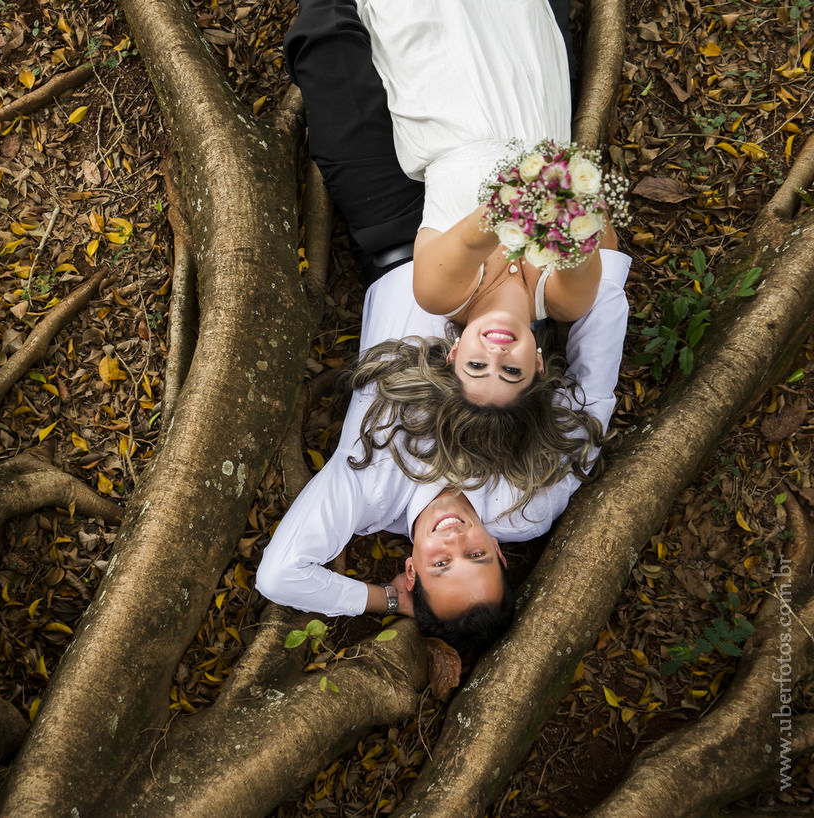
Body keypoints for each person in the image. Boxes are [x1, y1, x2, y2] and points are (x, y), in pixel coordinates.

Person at [255, 0, 632, 654]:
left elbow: (281, 572)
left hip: (400, 236)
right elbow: (594, 391)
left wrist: (378, 601)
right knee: (513, 50)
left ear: (410, 569)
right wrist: (596, 246)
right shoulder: (527, 506)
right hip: (510, 250)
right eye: (477, 558)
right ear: (502, 556)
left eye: (439, 564)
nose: (456, 541)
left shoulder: (366, 490)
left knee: (326, 43)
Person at [289, 0, 622, 503]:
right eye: (510, 371)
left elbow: (480, 227)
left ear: (453, 356)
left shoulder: (440, 293)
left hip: (446, 90)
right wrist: (571, 216)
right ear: (536, 367)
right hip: (530, 95)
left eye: (476, 367)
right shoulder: (566, 302)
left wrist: (546, 205)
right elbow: (589, 225)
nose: (495, 352)